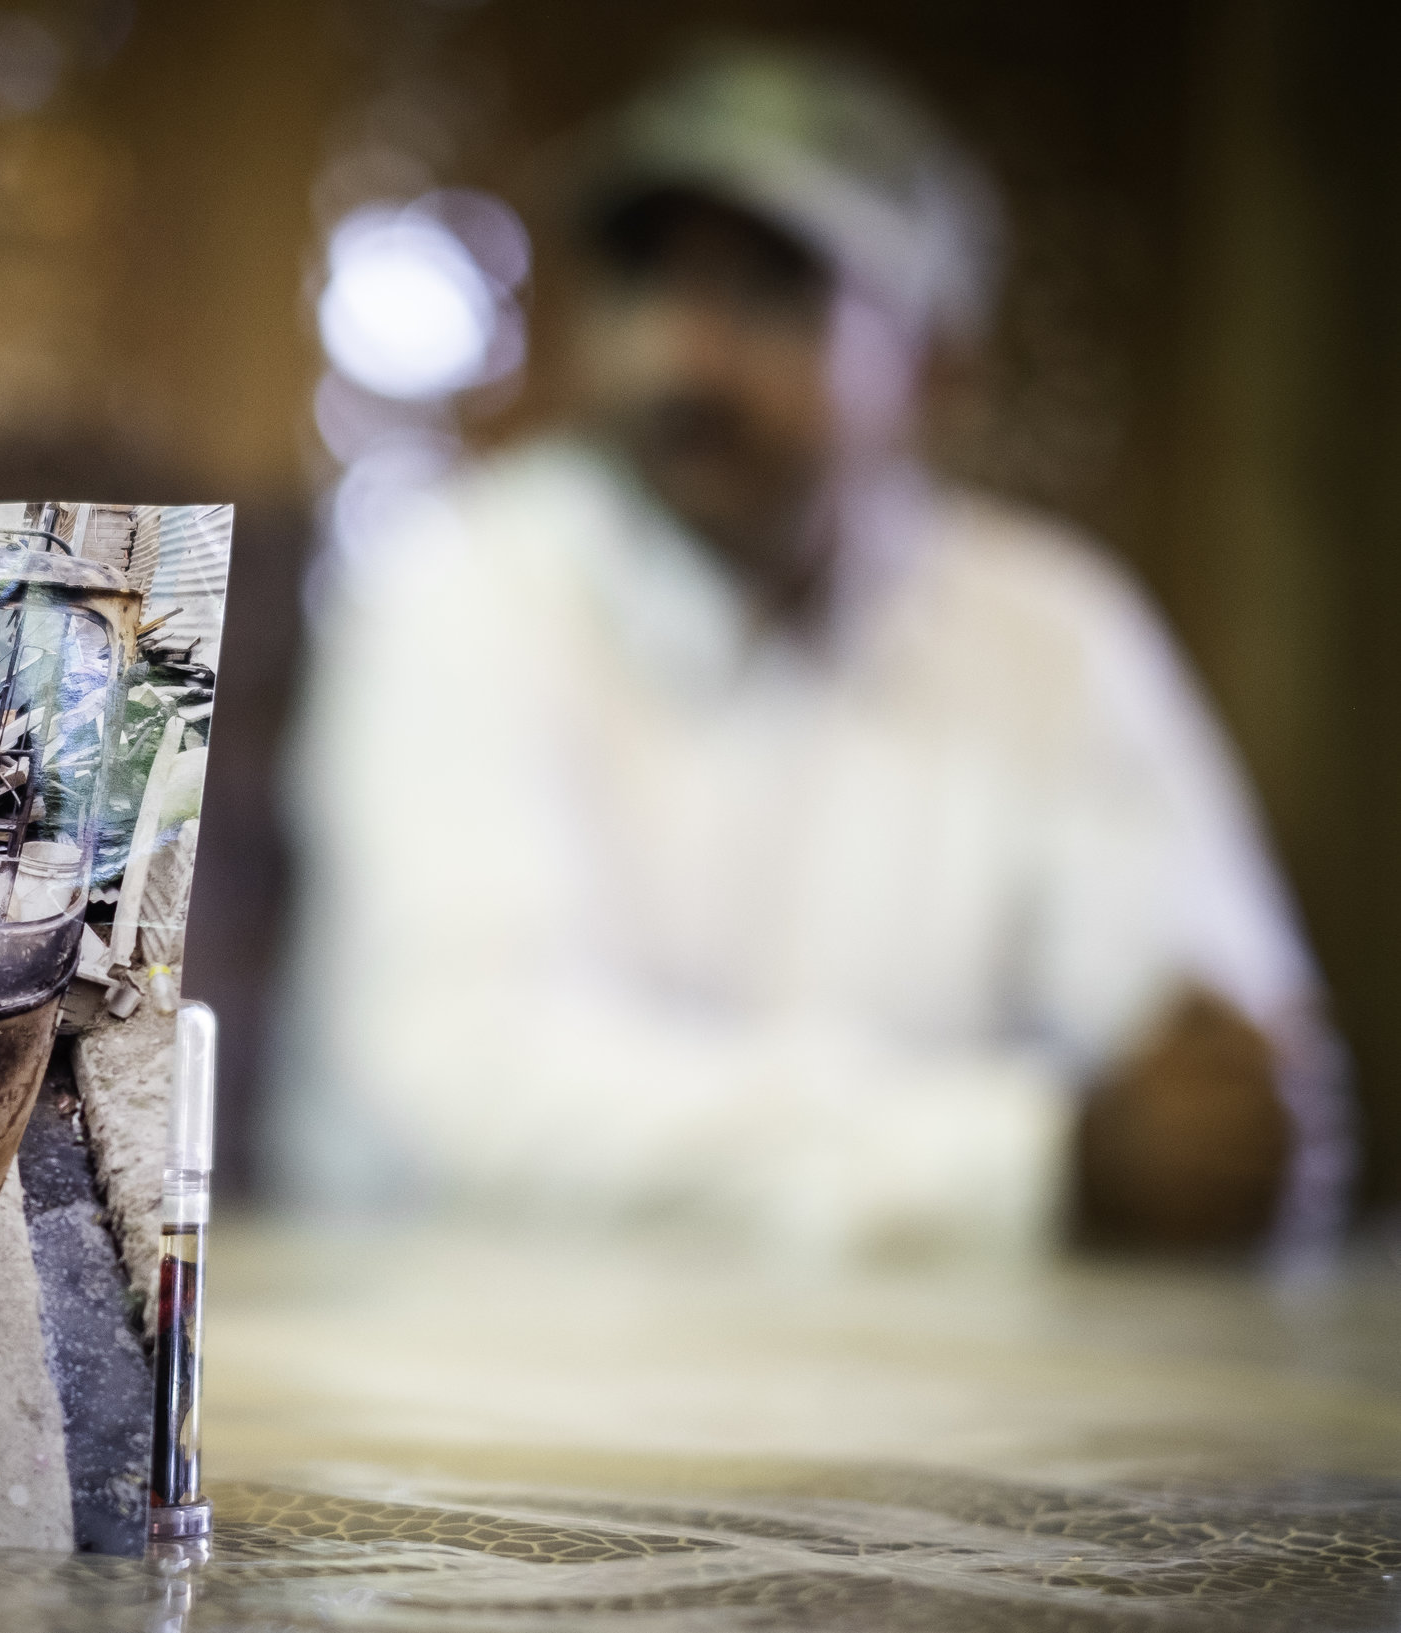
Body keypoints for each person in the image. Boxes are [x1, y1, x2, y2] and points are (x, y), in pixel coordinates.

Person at [275, 45, 1349, 1265]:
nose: (685, 350)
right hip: (477, 1404)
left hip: (947, 1415)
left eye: (772, 286)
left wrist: (1224, 1130)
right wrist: (1032, 1156)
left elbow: (1234, 1097)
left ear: (944, 366)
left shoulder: (1054, 630)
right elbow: (462, 1095)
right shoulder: (457, 582)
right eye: (644, 274)